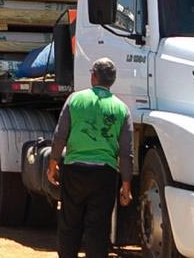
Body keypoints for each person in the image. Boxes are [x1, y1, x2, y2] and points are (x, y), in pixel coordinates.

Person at [47, 57, 134, 258]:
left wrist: (53, 165)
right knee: (98, 229)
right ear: (112, 80)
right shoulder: (122, 109)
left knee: (69, 224)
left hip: (74, 171)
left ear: (93, 76)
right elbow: (126, 153)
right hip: (104, 175)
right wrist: (126, 185)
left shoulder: (75, 100)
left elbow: (60, 136)